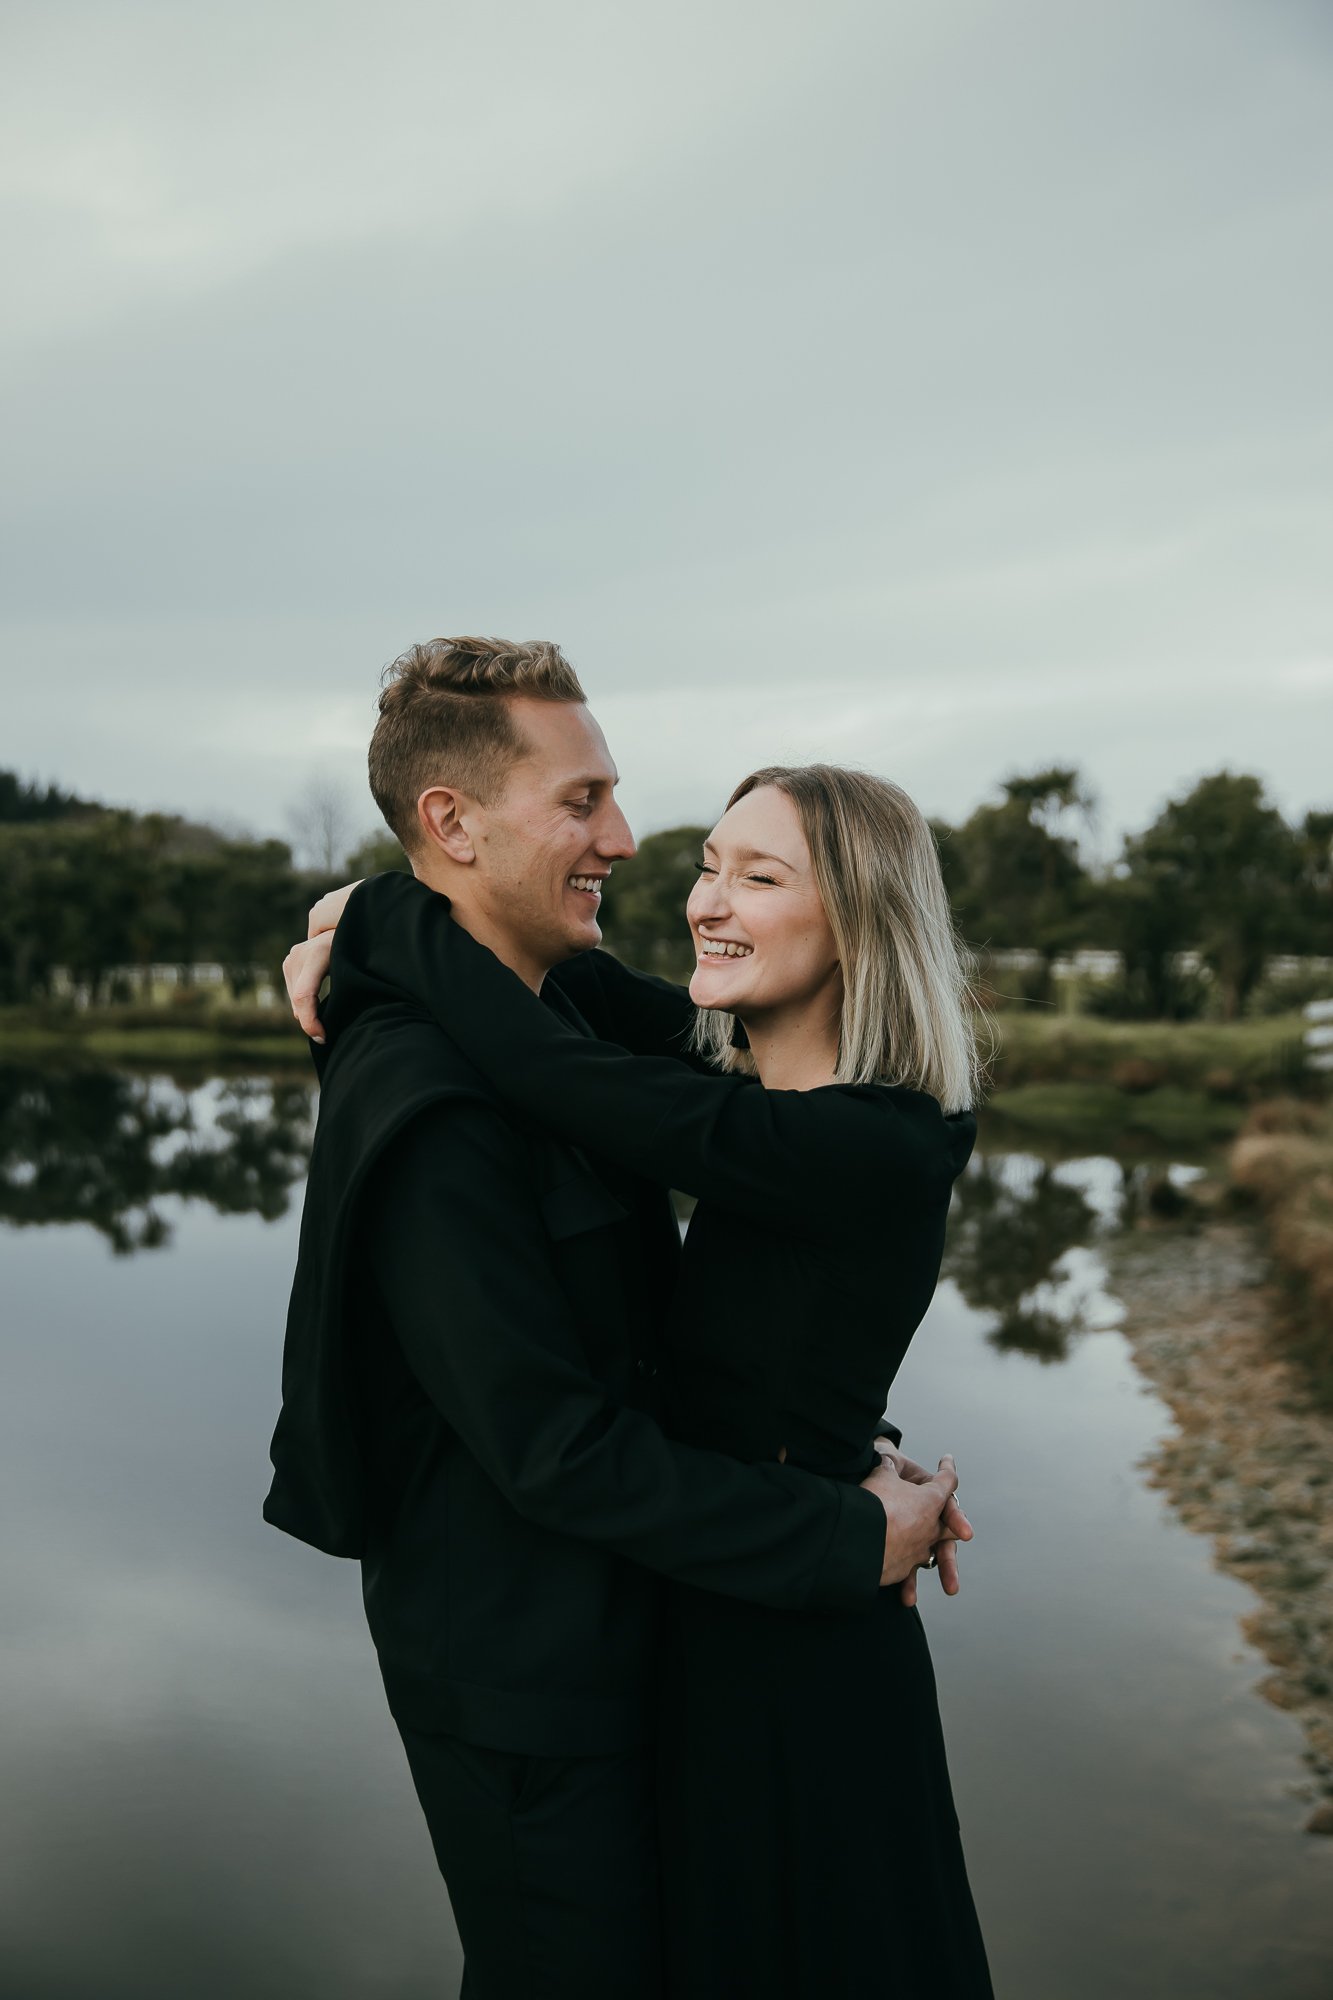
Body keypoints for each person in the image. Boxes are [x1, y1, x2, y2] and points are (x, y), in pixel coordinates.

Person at [266, 636, 969, 2000]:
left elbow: (577, 1066)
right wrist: (369, 920)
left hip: (681, 1638)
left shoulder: (775, 1111)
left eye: (753, 874)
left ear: (857, 926)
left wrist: (831, 1450)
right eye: (584, 800)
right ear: (451, 823)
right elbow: (549, 1443)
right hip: (535, 1684)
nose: (634, 845)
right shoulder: (443, 1097)